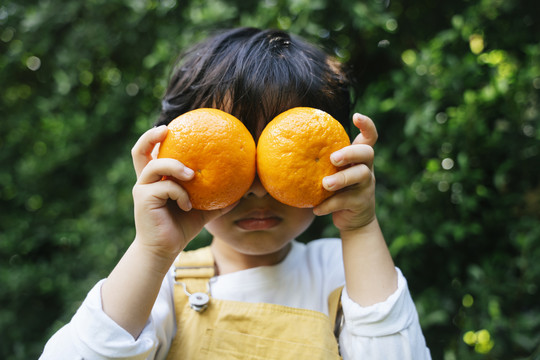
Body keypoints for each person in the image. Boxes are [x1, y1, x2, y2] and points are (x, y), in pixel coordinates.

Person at [40, 27, 431, 359]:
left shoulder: (341, 272)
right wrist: (152, 250)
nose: (258, 188)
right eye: (235, 154)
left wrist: (361, 229)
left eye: (278, 154)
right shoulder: (162, 284)